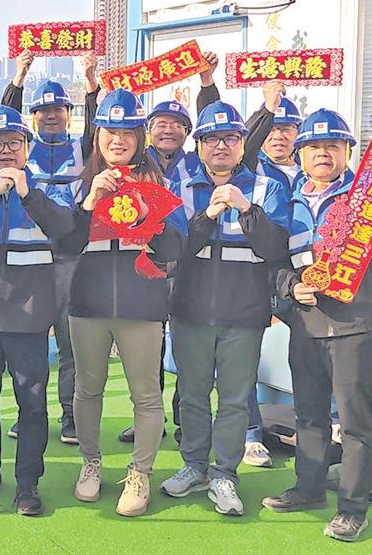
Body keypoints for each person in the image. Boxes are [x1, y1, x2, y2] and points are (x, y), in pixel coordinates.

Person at [262, 108, 372, 542]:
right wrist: (292, 287)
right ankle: (308, 490)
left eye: (332, 146)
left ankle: (352, 509)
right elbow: (274, 262)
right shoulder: (288, 201)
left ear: (347, 152)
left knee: (354, 421)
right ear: (300, 154)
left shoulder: (371, 198)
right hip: (307, 325)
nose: (323, 154)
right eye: (313, 147)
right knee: (308, 415)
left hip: (356, 326)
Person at [159, 102, 289, 516]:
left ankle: (225, 474)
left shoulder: (269, 185)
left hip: (244, 310)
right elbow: (174, 246)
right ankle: (194, 466)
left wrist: (246, 209)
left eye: (230, 138)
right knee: (192, 394)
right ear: (198, 145)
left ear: (242, 143)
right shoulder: (179, 182)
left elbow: (277, 248)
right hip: (191, 308)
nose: (221, 146)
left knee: (234, 400)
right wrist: (209, 214)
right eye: (211, 139)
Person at [0, 106, 78, 516]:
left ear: (28, 146)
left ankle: (28, 483)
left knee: (32, 402)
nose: (6, 151)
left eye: (14, 142)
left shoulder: (49, 190)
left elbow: (64, 228)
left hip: (29, 312)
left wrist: (26, 193)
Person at [65, 87, 184, 518]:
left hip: (142, 301)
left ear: (140, 137)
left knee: (146, 395)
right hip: (88, 303)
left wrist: (148, 215)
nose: (118, 140)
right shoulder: (79, 183)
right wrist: (89, 202)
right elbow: (64, 243)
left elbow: (177, 247)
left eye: (127, 132)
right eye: (109, 132)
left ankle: (140, 474)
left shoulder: (162, 183)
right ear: (96, 136)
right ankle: (91, 463)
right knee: (87, 387)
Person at [114, 52, 221, 445]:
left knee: (189, 347)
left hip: (191, 267)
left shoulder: (196, 165)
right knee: (148, 348)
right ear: (147, 130)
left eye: (178, 125)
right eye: (161, 123)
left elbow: (215, 124)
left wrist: (207, 83)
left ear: (188, 133)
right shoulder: (137, 164)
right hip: (147, 268)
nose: (169, 130)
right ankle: (149, 419)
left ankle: (183, 420)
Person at [0, 50, 97, 446]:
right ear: (33, 117)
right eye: (43, 110)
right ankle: (29, 413)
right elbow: (4, 122)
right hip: (30, 259)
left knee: (70, 343)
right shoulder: (22, 150)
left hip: (71, 259)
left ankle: (70, 414)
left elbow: (97, 125)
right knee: (28, 342)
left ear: (70, 114)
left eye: (58, 109)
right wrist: (19, 77)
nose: (51, 115)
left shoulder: (83, 149)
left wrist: (91, 82)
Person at [235, 79, 304, 468]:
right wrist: (268, 106)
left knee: (316, 354)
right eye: (273, 128)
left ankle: (325, 422)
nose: (279, 136)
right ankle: (250, 433)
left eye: (287, 128)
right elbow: (243, 139)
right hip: (256, 277)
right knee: (245, 358)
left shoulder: (311, 171)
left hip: (304, 279)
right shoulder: (247, 170)